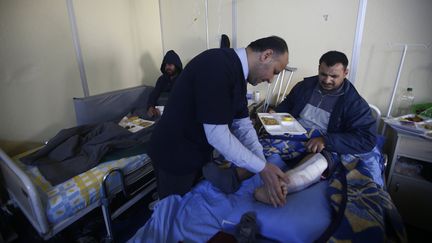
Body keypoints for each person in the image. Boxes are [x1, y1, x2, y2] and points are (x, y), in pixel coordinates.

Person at [148, 36, 290, 207]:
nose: (270, 80)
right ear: (266, 55)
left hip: (194, 152)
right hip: (174, 154)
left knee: (189, 201)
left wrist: (262, 164)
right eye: (275, 71)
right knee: (172, 211)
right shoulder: (216, 66)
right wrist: (261, 168)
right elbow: (218, 135)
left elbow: (243, 125)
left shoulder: (237, 76)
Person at [254, 50, 380, 204]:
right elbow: (287, 105)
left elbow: (367, 139)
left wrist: (326, 140)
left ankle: (282, 186)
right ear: (318, 69)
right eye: (323, 74)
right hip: (292, 132)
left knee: (321, 159)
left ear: (345, 72)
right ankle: (235, 173)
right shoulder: (305, 86)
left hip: (322, 141)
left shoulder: (354, 103)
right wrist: (276, 113)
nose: (327, 80)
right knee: (256, 144)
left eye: (334, 76)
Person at [146, 50, 183, 118]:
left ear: (176, 65)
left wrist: (162, 110)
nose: (167, 67)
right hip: (159, 110)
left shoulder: (183, 79)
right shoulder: (162, 79)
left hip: (175, 111)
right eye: (166, 65)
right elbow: (154, 94)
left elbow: (182, 100)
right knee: (136, 112)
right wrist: (150, 107)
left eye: (170, 65)